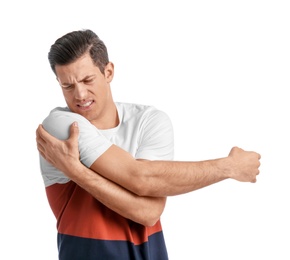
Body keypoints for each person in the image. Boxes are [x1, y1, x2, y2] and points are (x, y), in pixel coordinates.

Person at [36, 29, 261, 260]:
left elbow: (150, 209)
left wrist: (76, 172)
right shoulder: (60, 126)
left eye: (87, 80)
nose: (80, 94)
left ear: (108, 71)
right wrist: (229, 167)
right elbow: (141, 184)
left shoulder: (149, 121)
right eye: (68, 86)